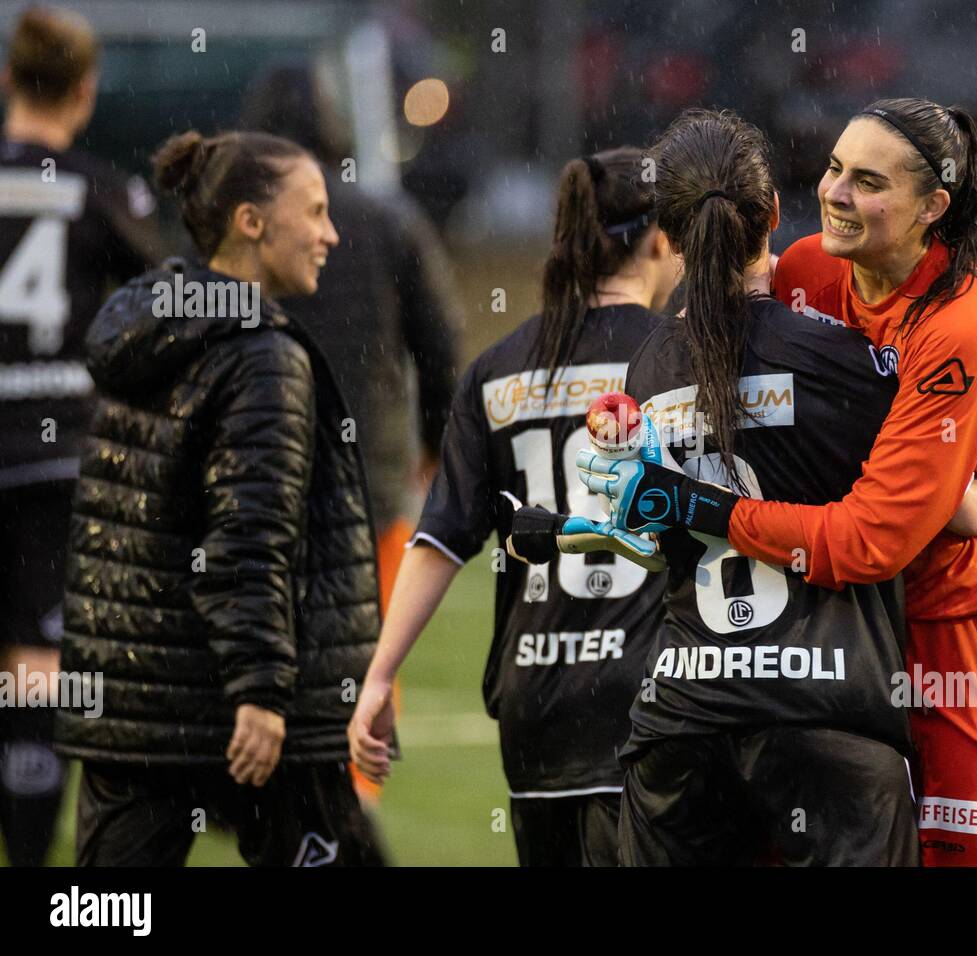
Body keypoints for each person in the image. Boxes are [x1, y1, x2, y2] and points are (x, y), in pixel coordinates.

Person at [581, 98, 977, 866]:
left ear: (933, 207)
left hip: (948, 624)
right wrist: (629, 423)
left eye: (867, 182)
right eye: (833, 169)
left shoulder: (961, 323)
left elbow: (870, 539)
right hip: (821, 635)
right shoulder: (802, 273)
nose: (835, 193)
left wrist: (700, 506)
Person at [54, 128, 384, 866]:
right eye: (315, 211)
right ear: (251, 221)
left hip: (130, 710)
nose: (331, 233)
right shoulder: (262, 355)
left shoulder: (145, 328)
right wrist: (263, 690)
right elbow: (245, 537)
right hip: (243, 716)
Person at [348, 147, 680, 866]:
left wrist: (379, 676)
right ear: (660, 239)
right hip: (655, 695)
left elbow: (438, 540)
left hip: (538, 695)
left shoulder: (499, 370)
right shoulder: (679, 361)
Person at [239, 60, 464, 815]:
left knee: (260, 640)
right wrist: (437, 443)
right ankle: (351, 803)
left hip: (255, 481)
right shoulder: (387, 220)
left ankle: (260, 793)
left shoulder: (243, 228)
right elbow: (440, 344)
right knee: (366, 658)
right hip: (366, 480)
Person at [0, 5, 161, 866]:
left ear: (5, 80)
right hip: (53, 457)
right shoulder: (103, 189)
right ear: (87, 93)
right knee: (36, 661)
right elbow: (163, 310)